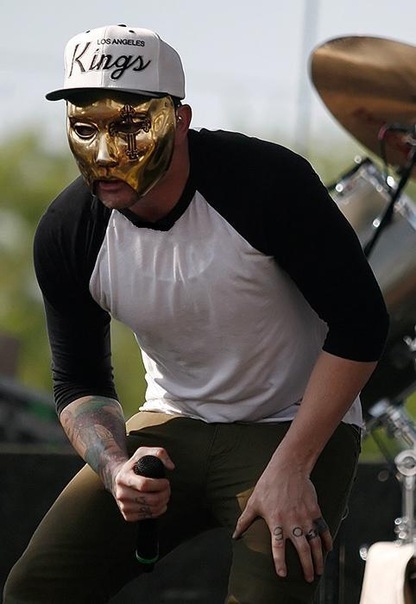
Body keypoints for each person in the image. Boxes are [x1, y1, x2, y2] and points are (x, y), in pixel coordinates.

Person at [4, 24, 389, 604]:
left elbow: (362, 324)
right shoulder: (69, 231)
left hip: (291, 423)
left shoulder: (265, 183)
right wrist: (115, 468)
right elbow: (79, 384)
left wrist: (293, 467)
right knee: (34, 588)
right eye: (85, 129)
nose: (105, 155)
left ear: (180, 119)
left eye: (129, 128)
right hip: (173, 420)